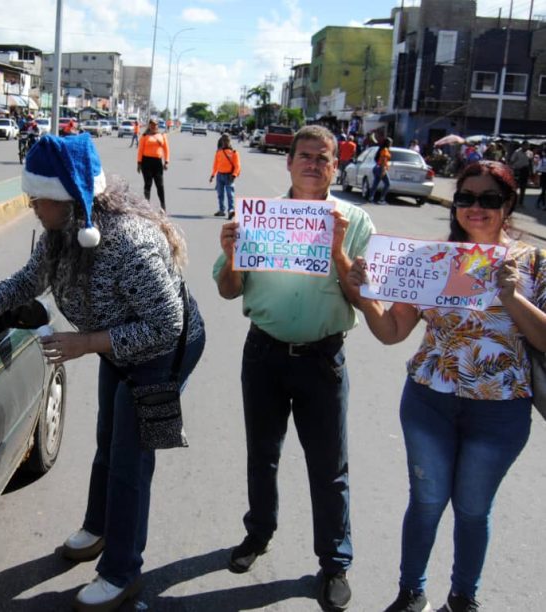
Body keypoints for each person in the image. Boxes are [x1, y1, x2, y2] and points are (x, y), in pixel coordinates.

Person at [0, 133, 205, 612]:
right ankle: (100, 527)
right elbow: (30, 278)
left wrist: (87, 343)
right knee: (109, 439)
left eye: (37, 199)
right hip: (116, 346)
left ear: (66, 200)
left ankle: (123, 572)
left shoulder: (129, 241)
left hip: (162, 350)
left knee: (131, 461)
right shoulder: (62, 231)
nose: (31, 207)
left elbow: (165, 326)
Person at [344, 160, 543, 612]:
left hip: (500, 410)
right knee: (427, 500)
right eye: (465, 198)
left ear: (508, 204)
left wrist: (512, 297)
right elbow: (393, 332)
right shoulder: (430, 259)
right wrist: (364, 296)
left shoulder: (533, 264)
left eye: (489, 199)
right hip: (429, 401)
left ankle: (463, 597)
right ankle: (411, 591)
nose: (475, 208)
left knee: (473, 509)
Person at [213, 125, 375, 612]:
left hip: (322, 359)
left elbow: (363, 297)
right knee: (262, 455)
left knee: (330, 468)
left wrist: (339, 250)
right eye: (303, 156)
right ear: (289, 163)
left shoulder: (355, 219)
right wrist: (230, 256)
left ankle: (334, 563)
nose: (312, 164)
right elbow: (227, 290)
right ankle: (258, 533)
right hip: (263, 354)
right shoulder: (259, 218)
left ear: (335, 166)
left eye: (322, 158)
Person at [137, 119, 169, 210]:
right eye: (152, 125)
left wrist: (166, 161)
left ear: (158, 125)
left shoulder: (162, 135)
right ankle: (147, 205)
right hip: (146, 162)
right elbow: (140, 150)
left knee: (160, 185)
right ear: (149, 125)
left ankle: (163, 205)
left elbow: (166, 149)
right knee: (148, 184)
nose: (153, 126)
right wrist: (139, 163)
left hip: (157, 163)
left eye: (155, 125)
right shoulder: (144, 136)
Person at [209, 133, 241, 219]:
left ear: (229, 141)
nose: (225, 142)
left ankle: (231, 210)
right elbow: (215, 165)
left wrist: (234, 175)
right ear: (221, 141)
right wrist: (212, 175)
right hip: (220, 175)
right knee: (220, 194)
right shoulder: (219, 152)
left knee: (230, 194)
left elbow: (237, 166)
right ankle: (221, 210)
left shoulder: (234, 153)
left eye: (227, 140)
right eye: (224, 140)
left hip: (229, 176)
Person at [369, 138, 393, 204]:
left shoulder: (382, 149)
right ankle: (381, 199)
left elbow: (377, 159)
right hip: (381, 168)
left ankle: (371, 197)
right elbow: (384, 161)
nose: (391, 144)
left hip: (377, 167)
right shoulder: (385, 150)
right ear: (388, 143)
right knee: (388, 184)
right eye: (390, 143)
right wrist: (383, 170)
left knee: (375, 183)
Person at [510, 141, 532, 206]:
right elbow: (512, 161)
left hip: (525, 171)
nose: (528, 147)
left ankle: (521, 202)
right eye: (526, 145)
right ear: (522, 145)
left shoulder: (530, 153)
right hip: (517, 170)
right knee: (515, 187)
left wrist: (531, 172)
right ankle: (512, 201)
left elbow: (530, 162)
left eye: (528, 145)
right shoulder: (517, 152)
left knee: (523, 187)